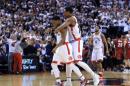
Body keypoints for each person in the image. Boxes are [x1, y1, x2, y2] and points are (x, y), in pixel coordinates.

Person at [55, 7, 99, 86]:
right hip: (71, 43)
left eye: (64, 12)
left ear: (69, 12)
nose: (63, 13)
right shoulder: (68, 19)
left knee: (77, 61)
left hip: (76, 42)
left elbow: (62, 26)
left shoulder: (71, 19)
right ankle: (69, 81)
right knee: (69, 62)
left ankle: (94, 76)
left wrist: (56, 29)